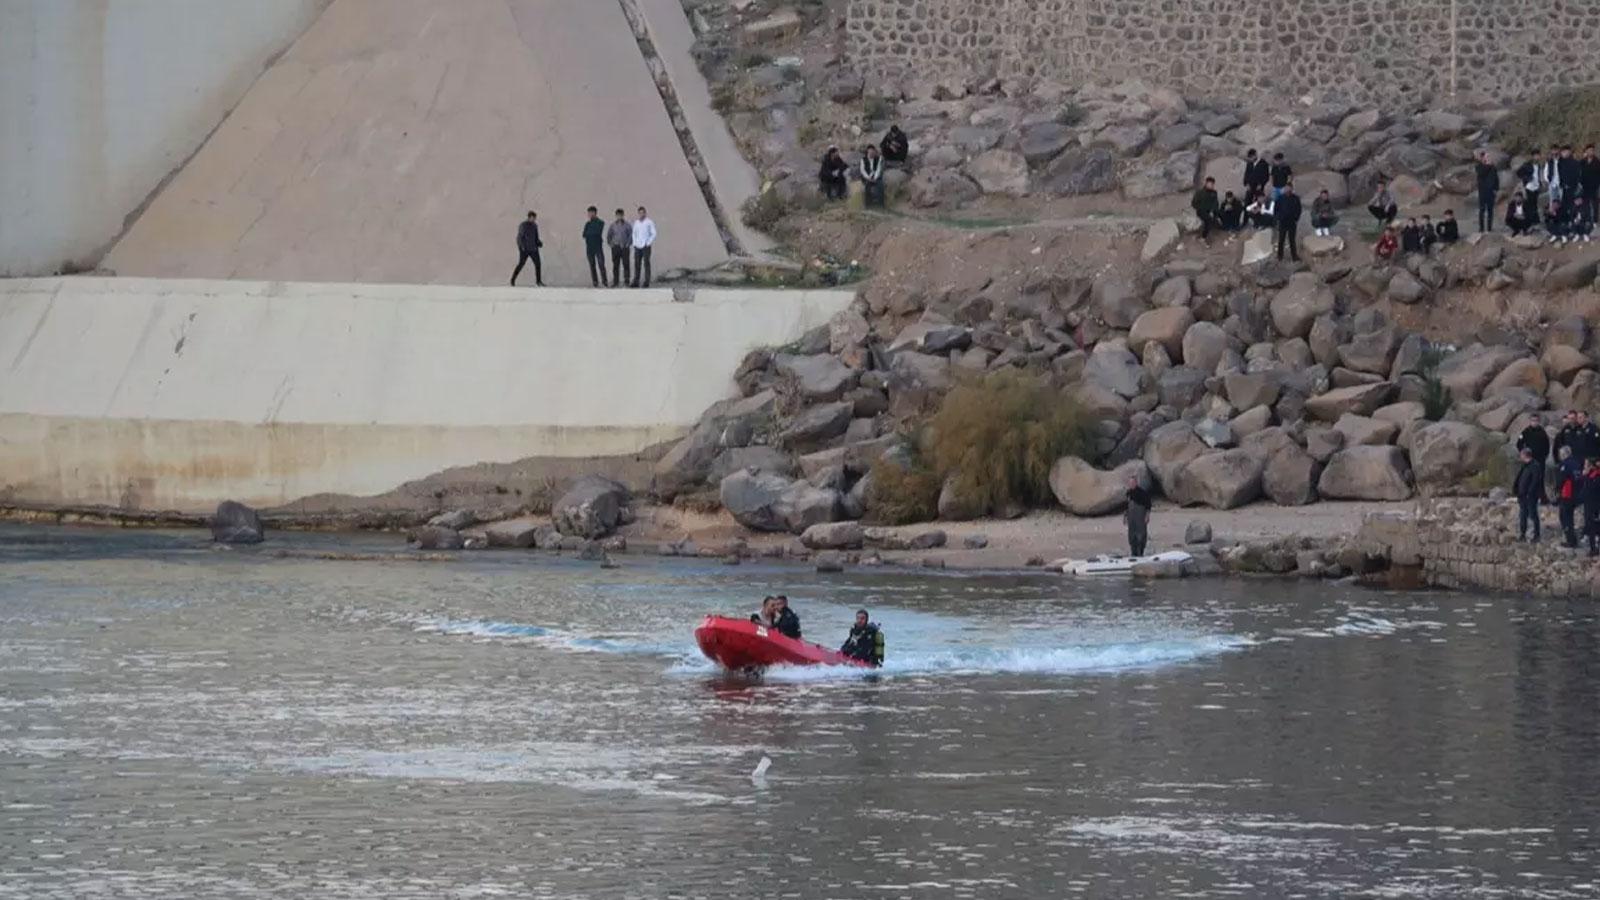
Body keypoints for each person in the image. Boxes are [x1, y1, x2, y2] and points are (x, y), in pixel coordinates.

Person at [1515, 447, 1546, 542]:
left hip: (1531, 495)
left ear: (1525, 455)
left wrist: (1530, 492)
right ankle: (1523, 534)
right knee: (1523, 514)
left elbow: (1536, 481)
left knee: (1533, 514)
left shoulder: (1535, 466)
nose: (1520, 457)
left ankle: (1536, 535)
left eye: (1521, 455)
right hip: (1522, 495)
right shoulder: (1525, 466)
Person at [1557, 445, 1584, 548]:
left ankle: (1571, 540)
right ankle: (1572, 538)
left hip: (1567, 494)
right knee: (1569, 516)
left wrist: (1557, 489)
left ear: (1564, 454)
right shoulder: (1576, 463)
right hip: (1577, 494)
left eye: (1561, 454)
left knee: (1565, 517)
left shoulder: (1565, 465)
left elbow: (1562, 479)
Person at [511, 211, 544, 286]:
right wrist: (521, 247)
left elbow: (536, 237)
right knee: (521, 264)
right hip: (525, 249)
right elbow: (519, 238)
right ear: (529, 217)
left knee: (538, 264)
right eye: (532, 218)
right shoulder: (523, 225)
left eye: (534, 218)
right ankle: (513, 280)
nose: (534, 219)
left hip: (534, 249)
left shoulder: (535, 226)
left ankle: (538, 281)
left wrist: (539, 243)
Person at [1517, 149, 1547, 228]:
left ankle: (1535, 220)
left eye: (1538, 155)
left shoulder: (1539, 165)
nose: (1537, 157)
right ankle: (1531, 221)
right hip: (1529, 186)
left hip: (1536, 187)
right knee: (1530, 204)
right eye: (1536, 155)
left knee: (1534, 203)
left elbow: (1539, 175)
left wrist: (1541, 183)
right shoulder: (1527, 164)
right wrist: (1526, 179)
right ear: (1533, 156)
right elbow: (1519, 173)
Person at [1124, 475, 1151, 558]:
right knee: (1132, 536)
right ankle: (1133, 553)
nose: (1131, 484)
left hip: (1140, 517)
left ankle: (1140, 553)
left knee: (1141, 535)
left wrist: (1147, 516)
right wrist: (1125, 517)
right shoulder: (1128, 493)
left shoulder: (1143, 493)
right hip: (1131, 518)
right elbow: (1126, 506)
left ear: (1136, 483)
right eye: (1130, 483)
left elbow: (1148, 506)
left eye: (1133, 482)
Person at [581, 206, 608, 288]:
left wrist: (590, 233)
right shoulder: (587, 224)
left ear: (595, 213)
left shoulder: (600, 222)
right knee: (592, 265)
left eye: (591, 212)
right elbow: (584, 234)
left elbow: (597, 232)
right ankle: (595, 282)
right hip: (589, 247)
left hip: (598, 247)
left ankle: (604, 281)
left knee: (601, 264)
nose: (589, 214)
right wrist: (590, 233)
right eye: (589, 213)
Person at [605, 208, 632, 289]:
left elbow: (631, 235)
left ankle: (626, 282)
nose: (619, 217)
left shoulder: (627, 225)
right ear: (616, 216)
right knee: (616, 265)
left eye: (621, 215)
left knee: (626, 265)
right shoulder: (613, 225)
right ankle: (615, 282)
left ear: (623, 215)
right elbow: (609, 236)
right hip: (616, 248)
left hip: (624, 247)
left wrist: (628, 244)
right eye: (618, 215)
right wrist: (611, 244)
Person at [630, 206, 656, 288]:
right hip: (637, 246)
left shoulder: (649, 222)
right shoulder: (636, 222)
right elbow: (634, 233)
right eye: (640, 213)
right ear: (638, 214)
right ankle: (636, 281)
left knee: (646, 264)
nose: (641, 214)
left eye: (643, 212)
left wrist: (648, 242)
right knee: (637, 264)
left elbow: (654, 233)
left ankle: (646, 282)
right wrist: (634, 243)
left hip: (646, 246)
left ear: (645, 213)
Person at [1275, 183, 1302, 262]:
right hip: (1283, 221)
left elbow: (1299, 209)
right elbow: (1276, 209)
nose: (1288, 190)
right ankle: (1280, 256)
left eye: (1289, 188)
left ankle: (1294, 256)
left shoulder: (1296, 198)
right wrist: (1278, 218)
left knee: (1292, 240)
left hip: (1292, 222)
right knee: (1281, 239)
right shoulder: (1280, 198)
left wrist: (1296, 219)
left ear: (1292, 189)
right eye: (1286, 188)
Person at [1474, 150, 1500, 232]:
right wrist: (1488, 165)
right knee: (1482, 210)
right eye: (1486, 156)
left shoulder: (1493, 167)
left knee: (1490, 210)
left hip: (1491, 191)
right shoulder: (1479, 166)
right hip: (1483, 191)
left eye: (1489, 156)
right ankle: (1481, 228)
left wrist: (1496, 188)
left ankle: (1489, 228)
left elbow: (1496, 178)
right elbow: (1481, 173)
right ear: (1482, 158)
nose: (1488, 158)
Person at [1582, 458, 1600, 557]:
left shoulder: (1595, 476)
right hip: (1589, 504)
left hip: (1594, 505)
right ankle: (1593, 546)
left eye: (1586, 465)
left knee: (1593, 526)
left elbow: (1591, 489)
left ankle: (1594, 548)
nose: (1584, 467)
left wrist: (1586, 477)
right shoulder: (1589, 475)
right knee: (1590, 525)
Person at [1581, 144, 1600, 231]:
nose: (1590, 152)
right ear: (1586, 151)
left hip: (1594, 187)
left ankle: (1595, 221)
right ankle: (1587, 220)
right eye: (1588, 150)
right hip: (1584, 187)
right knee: (1585, 205)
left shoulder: (1597, 161)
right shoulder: (1582, 161)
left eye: (1592, 150)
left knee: (1595, 205)